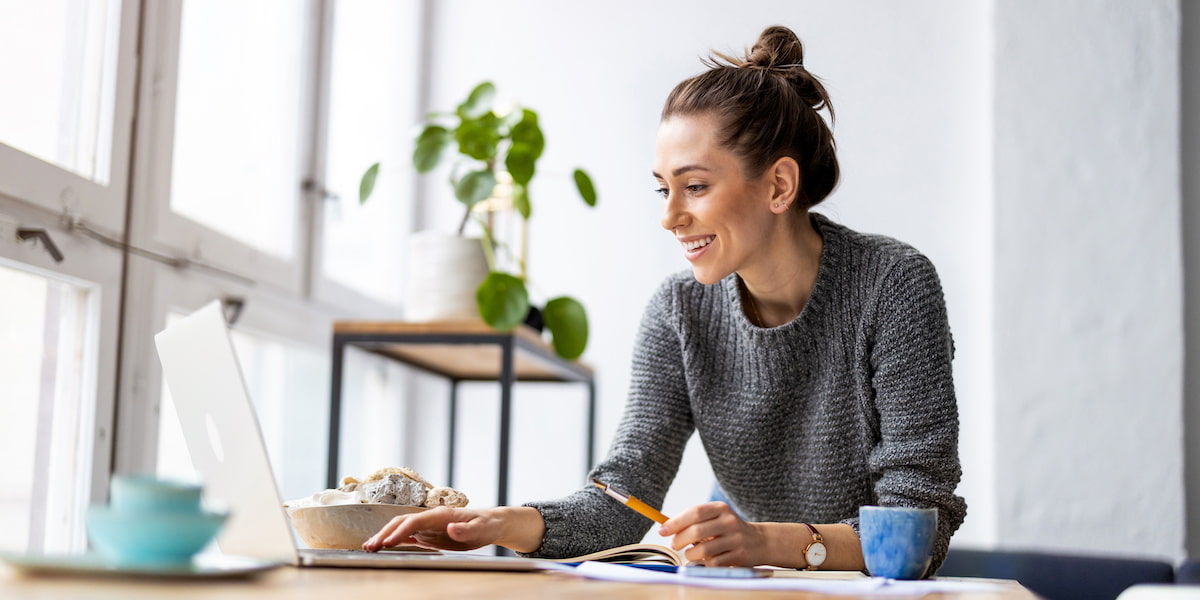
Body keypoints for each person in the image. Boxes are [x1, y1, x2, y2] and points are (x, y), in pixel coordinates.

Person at [363, 25, 966, 575]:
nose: (670, 217)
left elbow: (917, 529)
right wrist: (500, 525)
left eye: (695, 187)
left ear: (779, 185)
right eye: (663, 189)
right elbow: (625, 498)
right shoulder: (679, 311)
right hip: (748, 585)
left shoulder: (894, 285)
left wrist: (761, 542)